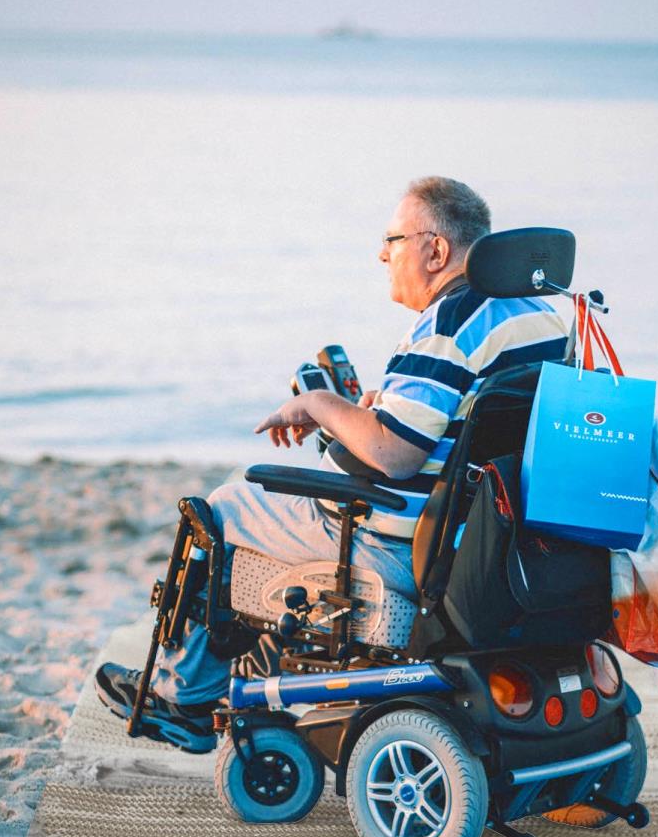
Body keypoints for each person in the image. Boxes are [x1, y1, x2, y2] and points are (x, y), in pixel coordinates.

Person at [96, 176, 570, 753]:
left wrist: (317, 403)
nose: (382, 254)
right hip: (491, 538)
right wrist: (368, 409)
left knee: (220, 506)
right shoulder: (546, 315)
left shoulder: (451, 318)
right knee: (258, 497)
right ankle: (247, 666)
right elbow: (452, 418)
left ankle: (182, 697)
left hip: (401, 541)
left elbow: (395, 455)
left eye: (392, 239)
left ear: (436, 250)